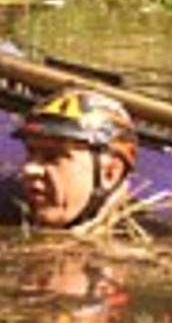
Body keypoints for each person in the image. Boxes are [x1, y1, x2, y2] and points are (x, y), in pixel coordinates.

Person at [13, 88, 138, 231]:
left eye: (52, 156)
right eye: (30, 153)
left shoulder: (143, 245)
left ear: (110, 173)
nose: (28, 169)